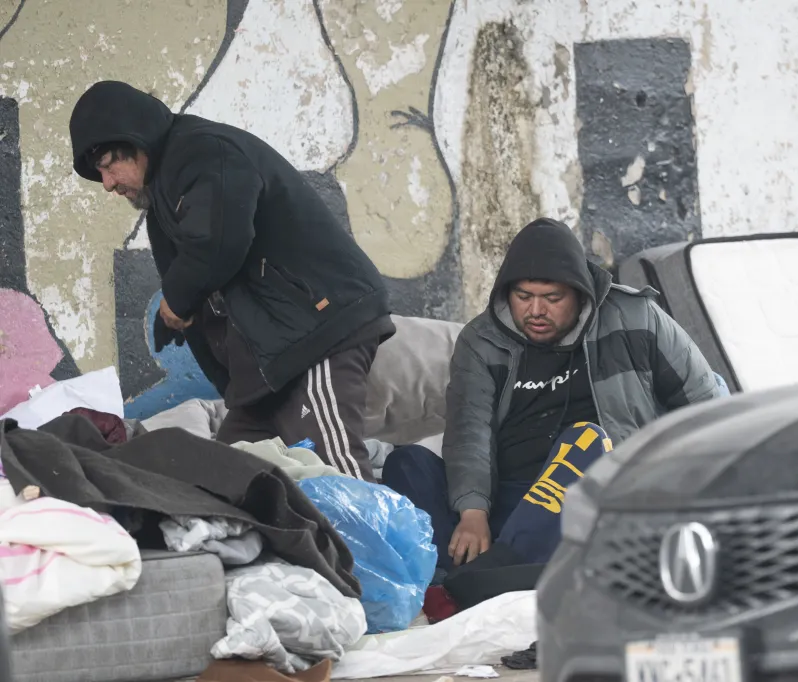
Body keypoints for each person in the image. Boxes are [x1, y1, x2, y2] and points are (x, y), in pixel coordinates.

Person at [68, 81, 394, 480]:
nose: (107, 184)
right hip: (269, 369)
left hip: (319, 337)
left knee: (339, 478)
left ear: (134, 141)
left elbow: (220, 240)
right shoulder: (164, 197)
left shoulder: (203, 152)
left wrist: (176, 299)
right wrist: (232, 383)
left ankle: (372, 544)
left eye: (108, 166)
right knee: (229, 480)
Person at [383, 218, 724, 573]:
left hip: (592, 498)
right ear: (506, 292)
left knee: (586, 439)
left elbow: (706, 406)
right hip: (510, 497)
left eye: (552, 298)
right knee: (406, 464)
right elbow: (470, 430)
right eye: (523, 297)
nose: (536, 311)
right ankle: (452, 575)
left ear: (580, 292)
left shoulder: (636, 317)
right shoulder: (481, 341)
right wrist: (473, 513)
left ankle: (496, 571)